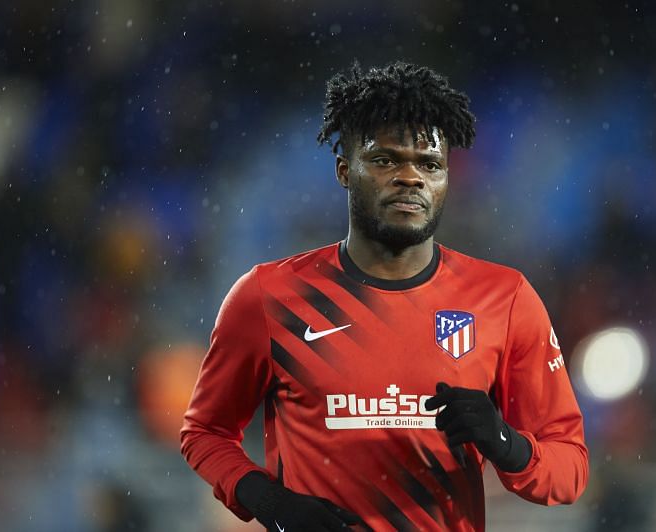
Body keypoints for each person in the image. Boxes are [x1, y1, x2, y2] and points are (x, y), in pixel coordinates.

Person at [180, 61, 588, 531]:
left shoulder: (505, 298)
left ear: (446, 179)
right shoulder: (267, 296)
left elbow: (569, 470)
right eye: (385, 159)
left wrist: (504, 441)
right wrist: (272, 505)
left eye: (429, 164)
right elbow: (205, 432)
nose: (410, 177)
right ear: (344, 171)